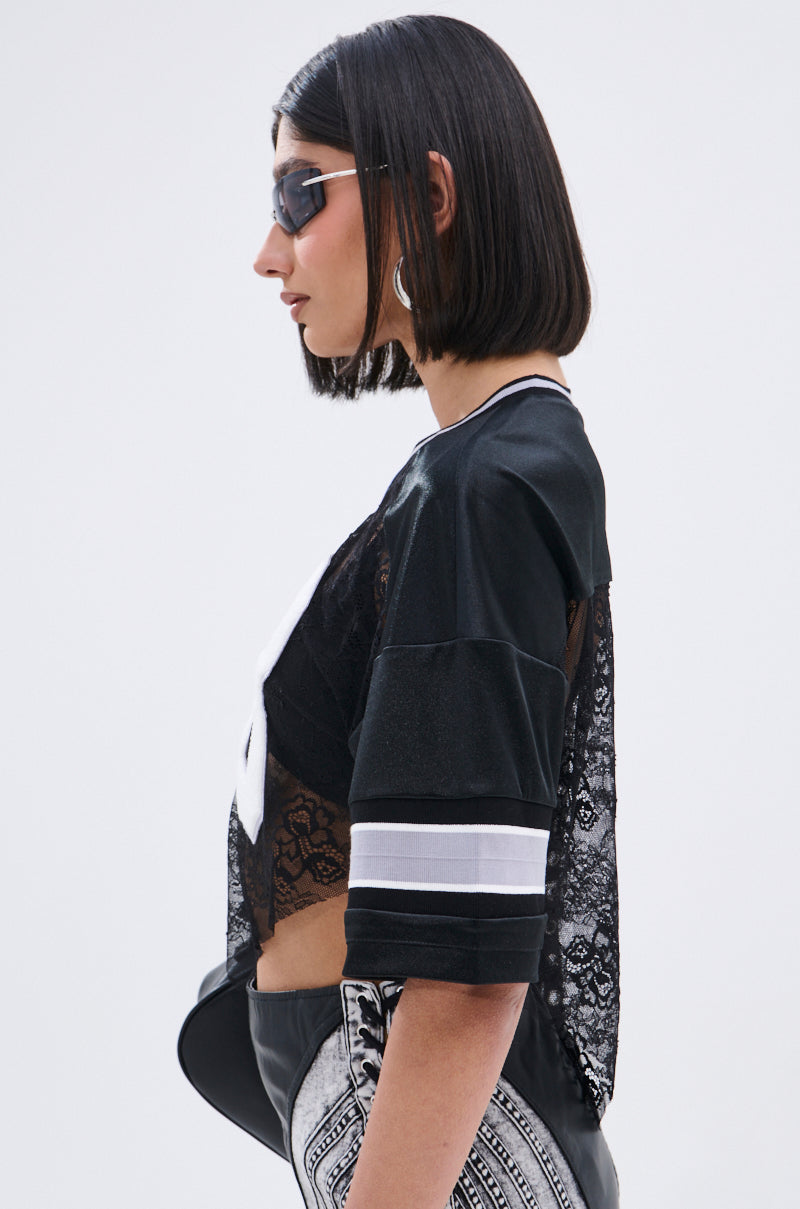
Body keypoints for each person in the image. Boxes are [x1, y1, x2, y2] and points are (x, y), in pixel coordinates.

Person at [179, 15, 620, 1209]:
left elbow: (468, 964)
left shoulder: (481, 486)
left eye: (299, 192)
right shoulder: (491, 467)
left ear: (427, 192)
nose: (269, 253)